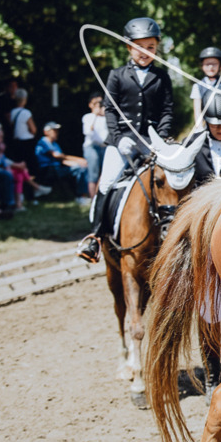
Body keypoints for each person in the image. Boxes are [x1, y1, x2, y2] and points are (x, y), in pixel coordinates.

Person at [77, 17, 175, 263]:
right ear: (129, 47)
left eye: (151, 47)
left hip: (152, 141)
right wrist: (118, 138)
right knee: (108, 181)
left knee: (173, 180)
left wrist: (161, 138)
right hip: (122, 141)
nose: (145, 52)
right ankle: (96, 237)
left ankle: (177, 236)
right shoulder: (117, 75)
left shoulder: (162, 76)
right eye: (140, 47)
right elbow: (110, 109)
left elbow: (167, 111)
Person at [35, 122, 90, 205]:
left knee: (81, 168)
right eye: (54, 130)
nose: (57, 133)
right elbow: (57, 156)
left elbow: (62, 160)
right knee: (80, 169)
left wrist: (77, 164)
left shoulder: (55, 144)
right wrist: (78, 160)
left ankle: (81, 196)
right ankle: (80, 196)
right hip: (48, 170)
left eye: (57, 131)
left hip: (57, 169)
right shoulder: (43, 141)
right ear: (46, 132)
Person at [190, 46, 221, 129]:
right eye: (207, 64)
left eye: (214, 64)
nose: (210, 67)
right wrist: (200, 129)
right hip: (205, 127)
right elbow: (197, 111)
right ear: (202, 66)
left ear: (220, 66)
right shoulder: (197, 86)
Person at [7, 88, 40, 178]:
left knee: (20, 166)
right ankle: (32, 183)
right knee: (31, 166)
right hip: (27, 143)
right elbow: (33, 129)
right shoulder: (26, 112)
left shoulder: (12, 112)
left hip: (16, 142)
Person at [81, 93, 108, 198]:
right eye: (95, 103)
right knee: (93, 174)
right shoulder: (88, 117)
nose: (98, 105)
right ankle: (93, 198)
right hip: (92, 147)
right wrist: (95, 116)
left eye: (100, 103)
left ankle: (101, 197)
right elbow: (88, 132)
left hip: (104, 147)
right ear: (90, 104)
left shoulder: (105, 118)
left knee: (105, 173)